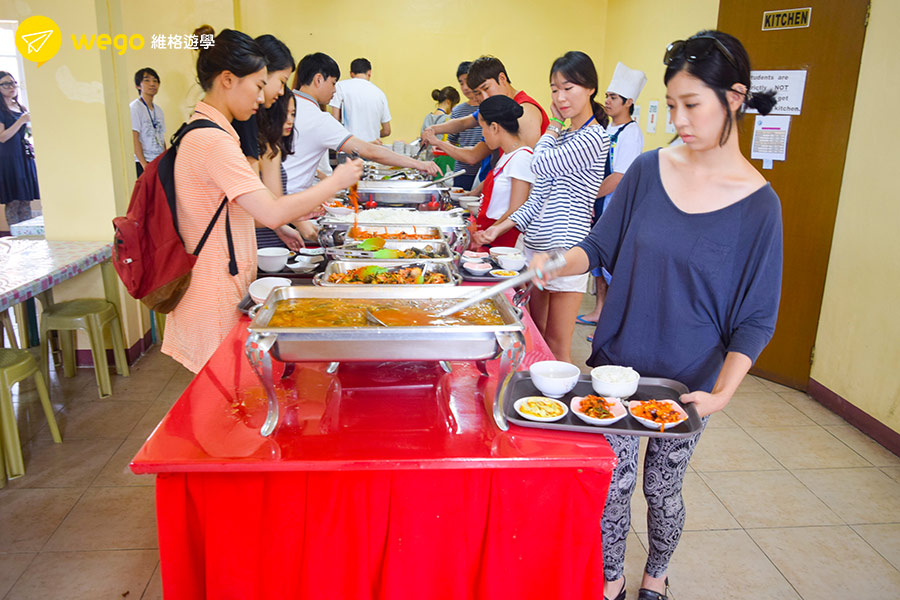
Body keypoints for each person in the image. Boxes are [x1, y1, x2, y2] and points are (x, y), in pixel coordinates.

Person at [528, 31, 781, 600]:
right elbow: (600, 247)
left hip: (688, 381)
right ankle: (611, 581)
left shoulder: (759, 205)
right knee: (613, 487)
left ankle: (656, 578)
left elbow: (757, 316)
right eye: (672, 105)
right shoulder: (647, 169)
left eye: (692, 104)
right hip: (618, 365)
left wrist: (722, 393)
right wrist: (557, 260)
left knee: (663, 490)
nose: (679, 119)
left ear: (734, 98)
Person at [162, 29, 362, 373]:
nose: (262, 97)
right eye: (258, 85)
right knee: (221, 398)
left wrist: (298, 209)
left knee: (228, 393)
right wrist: (337, 182)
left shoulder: (210, 131)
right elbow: (269, 210)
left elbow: (244, 211)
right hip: (211, 293)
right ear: (228, 80)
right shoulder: (214, 142)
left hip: (220, 283)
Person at [478, 51, 609, 363]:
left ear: (590, 88)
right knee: (535, 334)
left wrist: (551, 127)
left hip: (567, 252)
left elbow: (539, 161)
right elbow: (537, 199)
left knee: (557, 344)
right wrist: (499, 227)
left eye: (568, 88)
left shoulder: (593, 137)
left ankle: (556, 407)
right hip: (537, 250)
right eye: (554, 89)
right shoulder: (566, 136)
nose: (560, 97)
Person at [283, 52, 438, 195]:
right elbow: (371, 151)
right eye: (333, 83)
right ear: (318, 80)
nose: (335, 90)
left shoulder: (285, 104)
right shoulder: (318, 117)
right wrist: (419, 164)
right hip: (290, 200)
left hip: (279, 199)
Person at [579, 62, 647, 327]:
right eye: (606, 95)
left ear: (628, 102)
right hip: (598, 203)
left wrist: (588, 196)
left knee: (613, 265)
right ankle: (599, 310)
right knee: (597, 259)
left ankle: (612, 322)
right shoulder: (606, 129)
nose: (607, 101)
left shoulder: (631, 133)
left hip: (614, 205)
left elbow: (619, 177)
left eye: (613, 97)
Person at [421, 55, 549, 166]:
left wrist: (438, 142)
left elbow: (523, 167)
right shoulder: (496, 108)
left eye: (486, 88)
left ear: (502, 79)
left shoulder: (525, 111)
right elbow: (463, 123)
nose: (484, 98)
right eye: (477, 93)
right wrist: (433, 129)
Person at [469, 95, 534, 249]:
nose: (483, 134)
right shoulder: (507, 155)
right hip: (492, 237)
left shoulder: (522, 158)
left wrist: (489, 233)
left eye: (482, 128)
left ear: (494, 127)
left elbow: (517, 209)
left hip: (506, 241)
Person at [0, 71, 39, 226]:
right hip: (8, 158)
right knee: (13, 201)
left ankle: (28, 234)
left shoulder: (19, 106)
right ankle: (16, 238)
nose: (11, 87)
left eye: (13, 83)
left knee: (25, 199)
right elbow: (2, 137)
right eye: (6, 84)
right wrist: (21, 120)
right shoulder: (1, 111)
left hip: (23, 155)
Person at [328, 58, 392, 143]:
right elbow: (387, 131)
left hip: (349, 147)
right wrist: (372, 136)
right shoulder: (380, 94)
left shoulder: (340, 87)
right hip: (373, 148)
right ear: (369, 72)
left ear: (351, 73)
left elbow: (335, 122)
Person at [448, 61, 483, 190]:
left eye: (467, 81)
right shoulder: (458, 110)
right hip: (462, 171)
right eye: (461, 82)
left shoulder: (487, 108)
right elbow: (451, 141)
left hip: (482, 171)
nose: (464, 87)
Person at [130, 67, 166, 178]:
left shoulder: (158, 110)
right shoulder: (134, 108)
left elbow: (161, 137)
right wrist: (144, 165)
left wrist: (165, 160)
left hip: (158, 161)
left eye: (155, 81)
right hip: (143, 162)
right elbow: (134, 137)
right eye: (147, 80)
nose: (152, 84)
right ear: (138, 85)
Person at [421, 86, 460, 174]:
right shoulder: (448, 119)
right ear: (448, 102)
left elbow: (422, 140)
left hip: (429, 162)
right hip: (442, 164)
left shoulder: (428, 117)